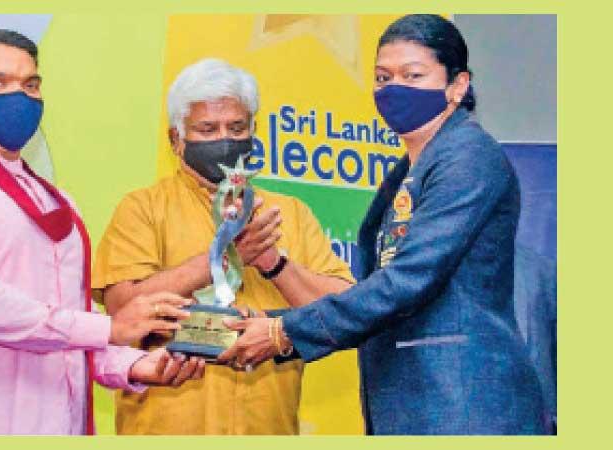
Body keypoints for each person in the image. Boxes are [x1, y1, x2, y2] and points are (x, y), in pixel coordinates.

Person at [219, 15, 547, 435]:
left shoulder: (469, 157)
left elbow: (409, 281)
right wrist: (266, 320)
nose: (394, 89)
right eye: (382, 76)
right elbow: (380, 289)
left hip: (462, 402)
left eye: (413, 75)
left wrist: (283, 331)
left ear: (457, 85)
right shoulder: (409, 169)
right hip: (414, 398)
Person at [0, 29, 204, 435]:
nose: (18, 97)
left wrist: (135, 364)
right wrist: (110, 327)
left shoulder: (57, 200)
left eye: (30, 85)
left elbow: (70, 326)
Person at [91, 58, 355, 434]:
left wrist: (274, 263)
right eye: (207, 129)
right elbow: (123, 309)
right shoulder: (143, 208)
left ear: (254, 130)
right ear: (176, 139)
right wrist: (225, 256)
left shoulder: (290, 213)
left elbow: (344, 311)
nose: (225, 140)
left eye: (236, 127)